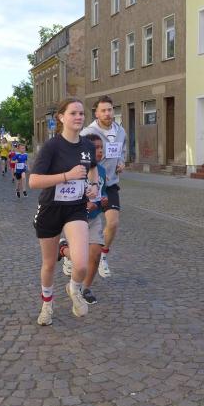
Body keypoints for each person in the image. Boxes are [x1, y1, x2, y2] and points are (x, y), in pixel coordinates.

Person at [30, 98, 99, 326]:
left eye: (81, 113)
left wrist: (94, 186)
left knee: (81, 263)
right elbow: (34, 181)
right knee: (49, 263)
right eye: (73, 113)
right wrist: (67, 176)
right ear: (61, 117)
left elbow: (92, 170)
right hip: (50, 208)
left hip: (75, 208)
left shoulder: (88, 146)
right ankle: (47, 305)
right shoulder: (52, 146)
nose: (78, 117)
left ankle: (74, 289)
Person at [58, 133, 107, 305]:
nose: (99, 151)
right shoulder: (75, 169)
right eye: (95, 148)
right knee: (81, 257)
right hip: (74, 218)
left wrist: (100, 202)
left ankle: (85, 288)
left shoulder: (101, 171)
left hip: (94, 218)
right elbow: (64, 192)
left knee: (96, 253)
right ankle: (63, 249)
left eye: (101, 148)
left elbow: (102, 193)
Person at [81, 96, 127, 278]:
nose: (108, 113)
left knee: (113, 223)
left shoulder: (120, 131)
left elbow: (122, 151)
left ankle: (103, 256)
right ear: (97, 113)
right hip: (90, 184)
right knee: (83, 225)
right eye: (104, 110)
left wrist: (122, 162)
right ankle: (71, 253)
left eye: (110, 109)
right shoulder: (87, 132)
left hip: (111, 183)